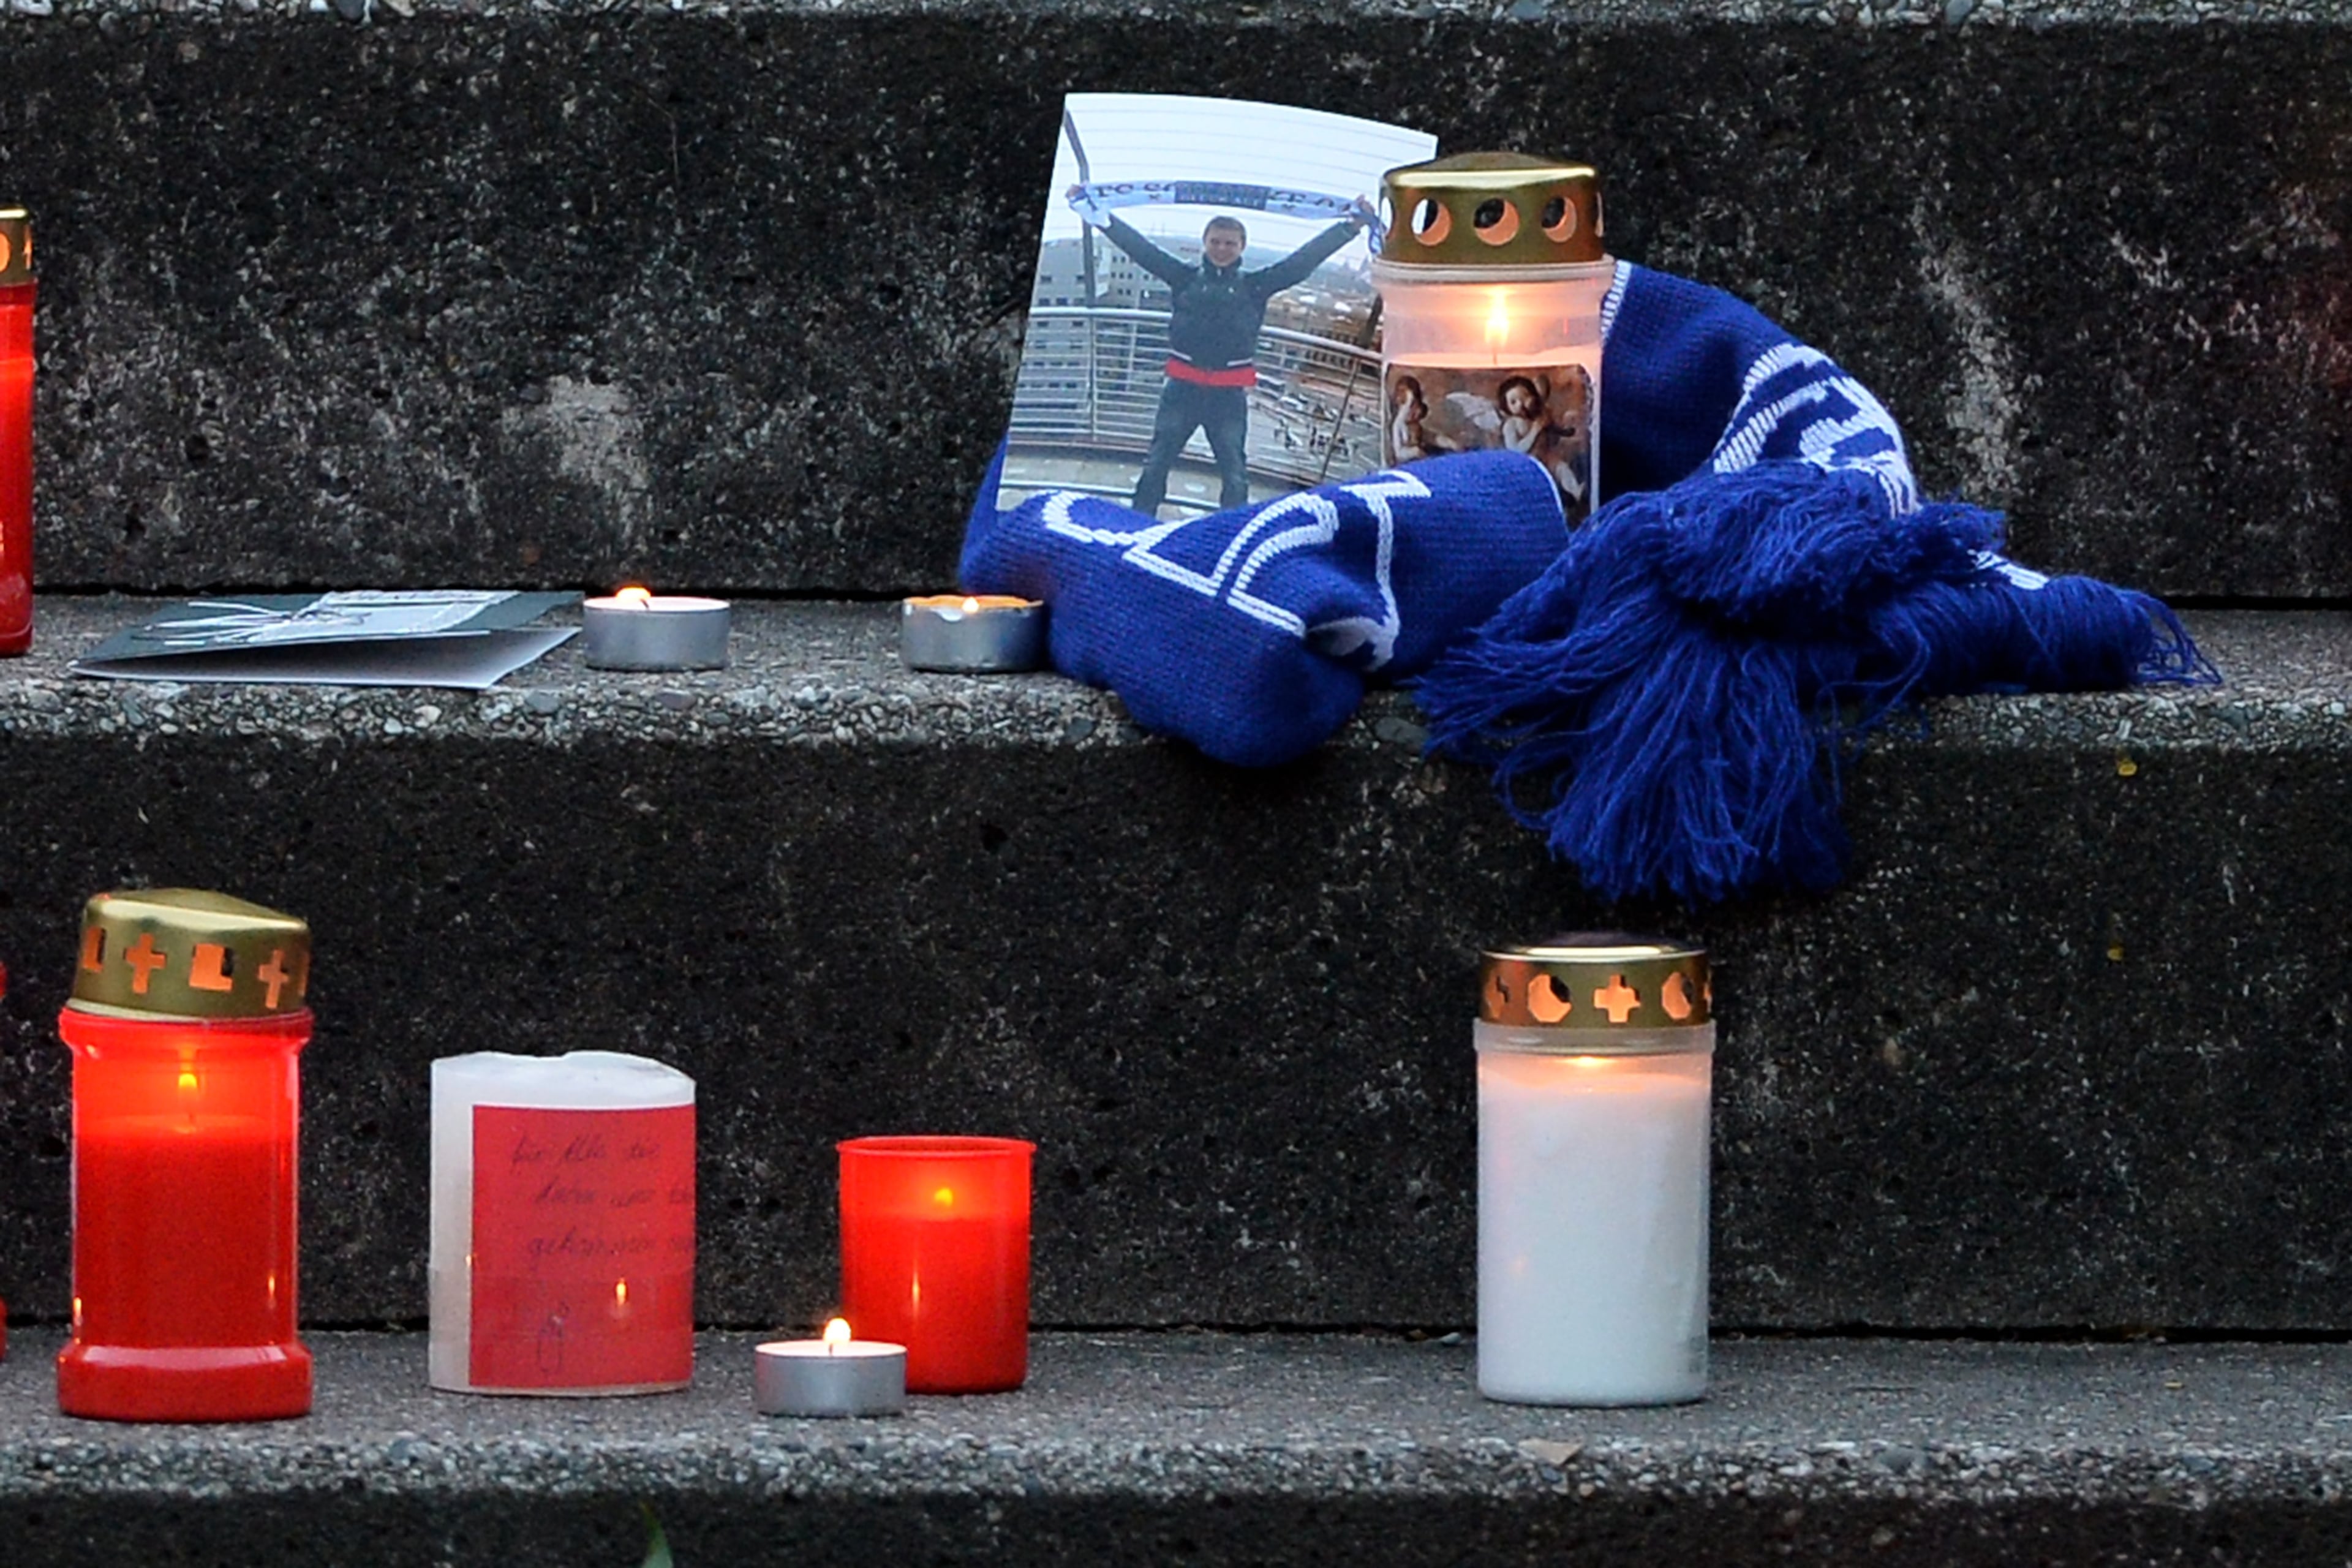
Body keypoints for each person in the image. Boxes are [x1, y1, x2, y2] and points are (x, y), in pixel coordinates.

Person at [1072, 193, 1371, 515]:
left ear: (1242, 247)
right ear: (1205, 243)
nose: (1222, 249)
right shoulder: (1183, 278)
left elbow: (1301, 262)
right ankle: (1137, 524)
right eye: (1216, 242)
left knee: (1235, 475)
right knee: (1156, 465)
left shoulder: (1256, 285)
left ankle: (1230, 534)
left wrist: (1349, 228)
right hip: (1182, 390)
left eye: (1230, 243)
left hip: (1227, 395)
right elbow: (1141, 250)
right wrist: (1097, 214)